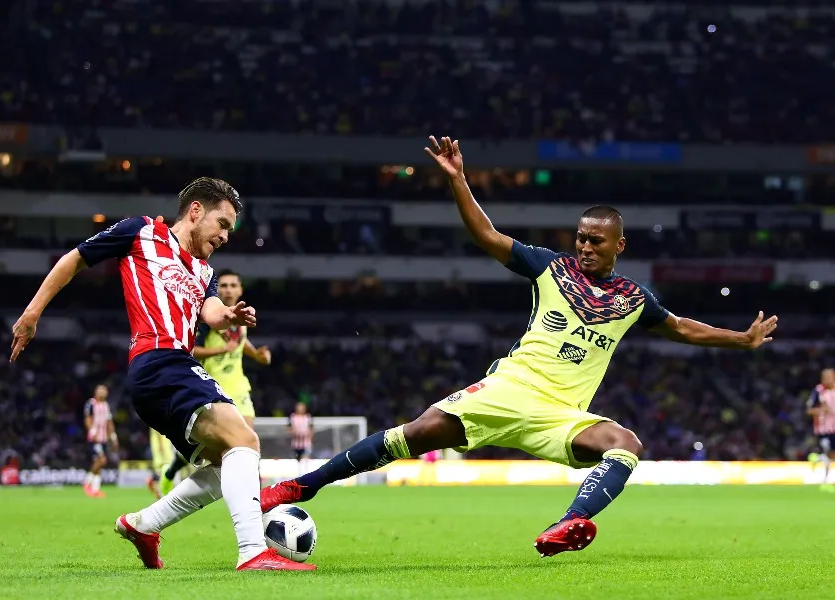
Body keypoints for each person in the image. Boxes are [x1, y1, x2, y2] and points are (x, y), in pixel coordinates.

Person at [260, 136, 778, 558]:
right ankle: (303, 485)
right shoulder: (551, 268)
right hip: (508, 388)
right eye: (581, 237)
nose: (585, 245)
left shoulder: (633, 299)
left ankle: (568, 525)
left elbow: (683, 328)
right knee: (417, 433)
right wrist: (459, 179)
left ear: (620, 244)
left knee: (625, 443)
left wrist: (742, 339)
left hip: (560, 414)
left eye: (597, 240)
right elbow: (487, 235)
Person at [10, 177, 314, 571]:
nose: (225, 236)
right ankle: (253, 551)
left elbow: (212, 315)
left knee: (228, 461)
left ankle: (144, 525)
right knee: (244, 439)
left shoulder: (204, 273)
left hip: (171, 369)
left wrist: (231, 315)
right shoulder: (141, 233)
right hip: (158, 361)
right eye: (222, 224)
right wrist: (32, 314)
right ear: (195, 211)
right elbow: (75, 259)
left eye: (230, 230)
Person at [159, 270, 272, 492]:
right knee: (211, 448)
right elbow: (191, 349)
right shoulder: (207, 318)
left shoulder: (242, 316)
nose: (228, 289)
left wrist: (256, 354)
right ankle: (171, 471)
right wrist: (222, 348)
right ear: (216, 290)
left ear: (240, 290)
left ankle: (253, 493)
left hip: (238, 387)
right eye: (223, 285)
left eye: (233, 285)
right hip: (212, 388)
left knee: (248, 441)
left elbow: (239, 342)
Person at [83, 384, 117, 498]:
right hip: (94, 438)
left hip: (103, 439)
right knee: (102, 460)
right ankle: (87, 483)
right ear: (95, 392)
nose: (102, 392)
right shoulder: (91, 404)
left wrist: (113, 437)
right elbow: (88, 419)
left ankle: (95, 489)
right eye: (100, 390)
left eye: (104, 390)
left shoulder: (106, 405)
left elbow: (109, 422)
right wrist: (92, 433)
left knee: (99, 463)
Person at [806, 368, 835, 491]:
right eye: (825, 377)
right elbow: (809, 410)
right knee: (828, 450)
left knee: (831, 454)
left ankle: (817, 458)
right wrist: (821, 410)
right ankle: (826, 481)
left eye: (830, 377)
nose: (828, 379)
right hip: (823, 429)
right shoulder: (818, 391)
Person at [288, 403, 313, 476]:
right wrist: (293, 432)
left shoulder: (308, 417)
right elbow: (289, 428)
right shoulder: (293, 417)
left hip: (306, 442)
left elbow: (311, 428)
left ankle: (305, 473)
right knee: (297, 459)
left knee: (305, 457)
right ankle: (299, 474)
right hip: (296, 442)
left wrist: (309, 436)